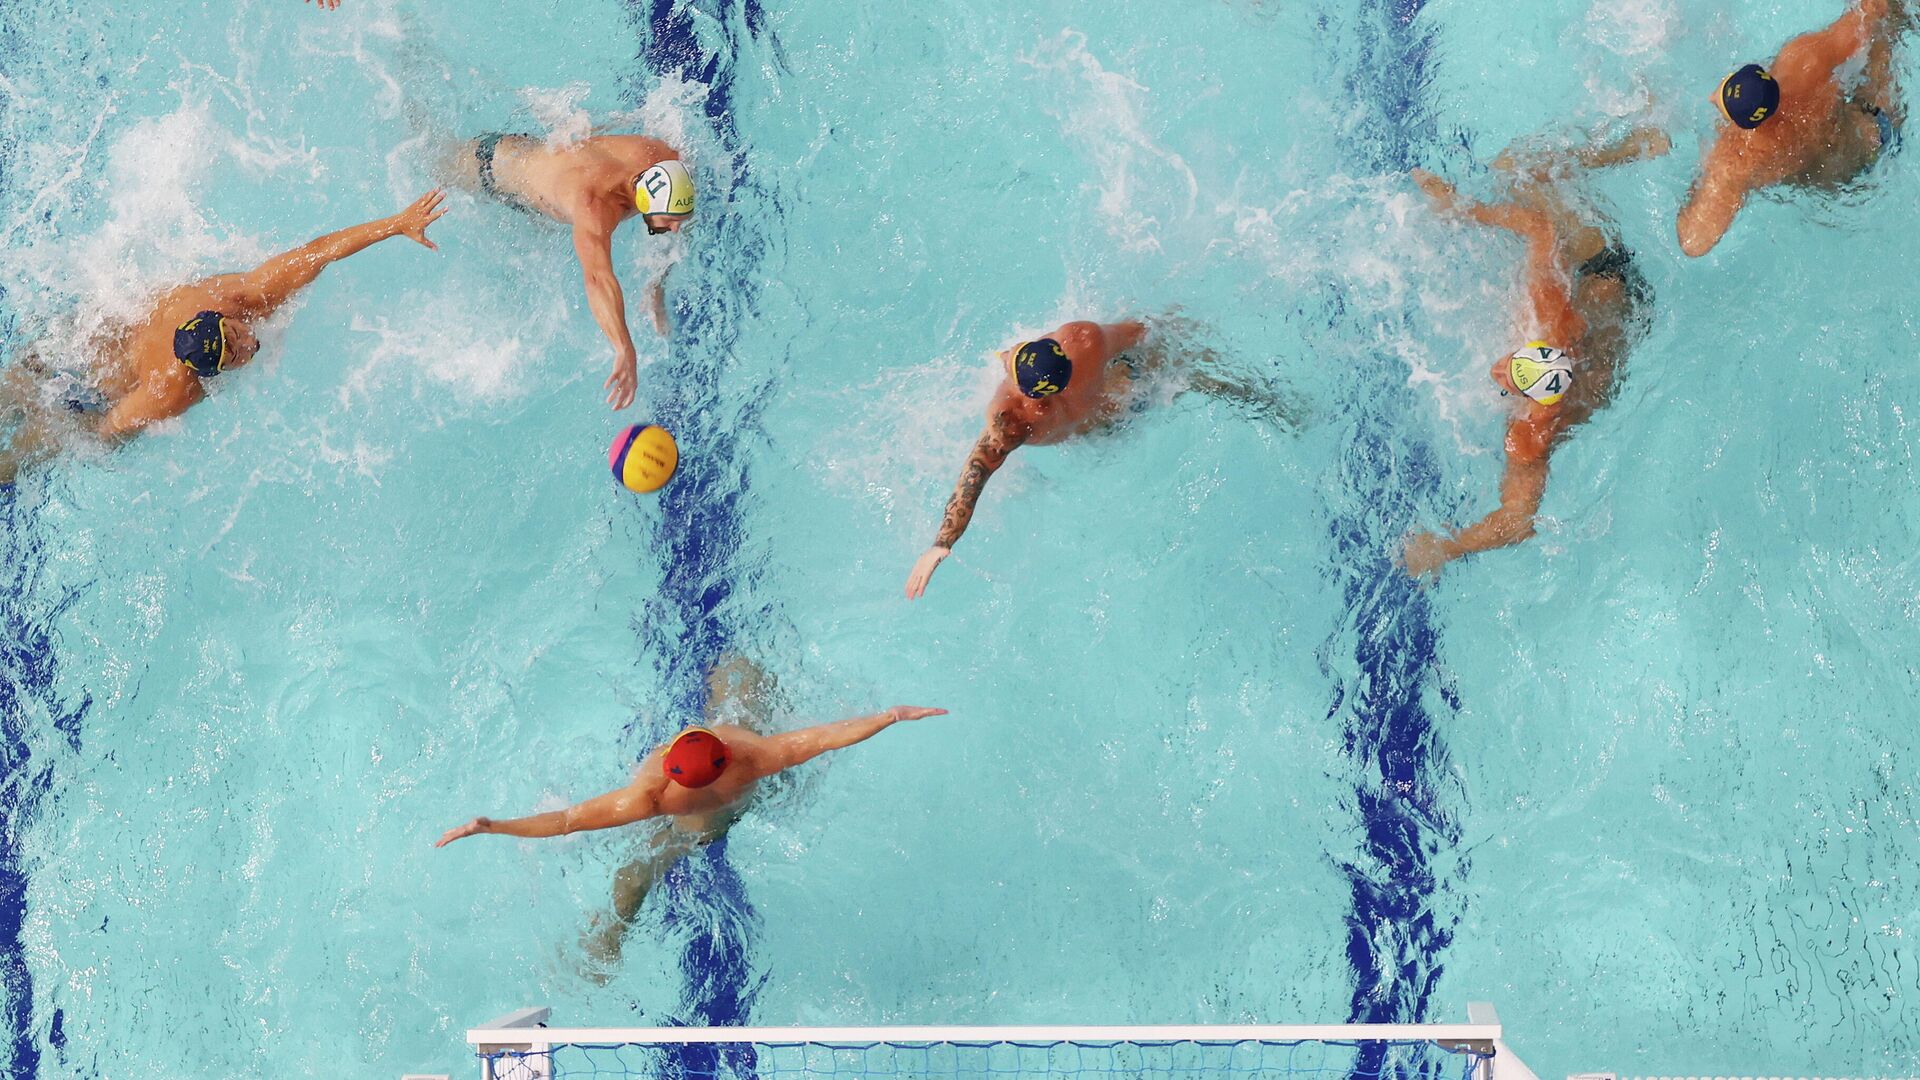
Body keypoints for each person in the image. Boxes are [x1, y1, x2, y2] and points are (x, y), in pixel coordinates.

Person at [432, 655, 948, 965]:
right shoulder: (753, 758)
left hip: (707, 819)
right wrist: (891, 716)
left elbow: (567, 820)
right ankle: (610, 935)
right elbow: (828, 737)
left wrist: (494, 826)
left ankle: (608, 941)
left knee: (635, 873)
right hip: (724, 806)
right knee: (741, 672)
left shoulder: (649, 796)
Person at [0, 190, 446, 487]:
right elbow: (107, 427)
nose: (250, 345)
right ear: (205, 373)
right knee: (35, 443)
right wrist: (75, 435)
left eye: (237, 337)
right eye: (236, 357)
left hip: (86, 333)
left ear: (220, 317)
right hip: (95, 381)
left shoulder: (237, 295)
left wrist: (396, 223)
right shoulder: (172, 389)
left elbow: (317, 252)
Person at [1400, 128, 1669, 580]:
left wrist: (1446, 548)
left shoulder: (1529, 436)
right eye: (1513, 362)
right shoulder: (1552, 318)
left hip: (1617, 323)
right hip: (1609, 275)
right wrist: (1463, 210)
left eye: (1510, 378)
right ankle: (1629, 146)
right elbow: (1538, 227)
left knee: (1513, 169)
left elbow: (1517, 522)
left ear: (1526, 395)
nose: (1499, 369)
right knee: (1515, 166)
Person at [904, 316, 1288, 599]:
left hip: (1101, 433)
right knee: (1183, 370)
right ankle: (1269, 404)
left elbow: (975, 473)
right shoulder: (1084, 340)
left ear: (1026, 392)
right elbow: (1141, 330)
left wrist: (942, 541)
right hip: (1127, 394)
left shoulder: (1013, 420)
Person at [449, 132, 695, 410]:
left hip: (533, 157)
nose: (675, 228)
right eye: (671, 221)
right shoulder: (596, 205)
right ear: (644, 203)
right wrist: (624, 347)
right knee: (428, 161)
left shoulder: (662, 158)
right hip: (489, 171)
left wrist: (656, 285)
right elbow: (596, 277)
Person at [1677, 0, 1907, 257]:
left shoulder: (1740, 156)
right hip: (1878, 125)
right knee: (1887, 32)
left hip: (1852, 184)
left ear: (1743, 125)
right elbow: (1871, 13)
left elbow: (1694, 243)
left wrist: (1701, 179)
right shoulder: (1802, 59)